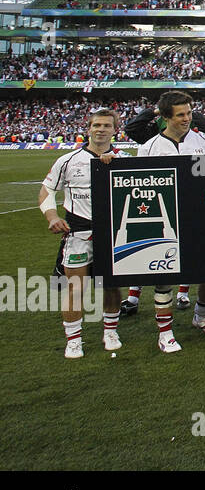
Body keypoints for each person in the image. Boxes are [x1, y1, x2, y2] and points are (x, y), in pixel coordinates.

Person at [134, 90, 205, 352]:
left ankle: (202, 316)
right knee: (165, 274)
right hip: (167, 220)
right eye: (181, 115)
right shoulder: (149, 148)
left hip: (201, 216)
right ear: (165, 117)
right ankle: (165, 331)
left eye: (189, 113)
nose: (187, 119)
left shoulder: (204, 141)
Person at [38, 108, 124, 358]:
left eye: (107, 126)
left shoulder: (124, 158)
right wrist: (52, 216)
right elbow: (46, 190)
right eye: (97, 125)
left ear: (114, 130)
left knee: (111, 286)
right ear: (88, 128)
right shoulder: (67, 160)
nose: (101, 129)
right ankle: (74, 339)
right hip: (77, 233)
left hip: (112, 233)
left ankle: (110, 331)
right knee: (75, 288)